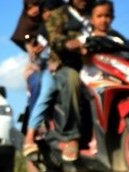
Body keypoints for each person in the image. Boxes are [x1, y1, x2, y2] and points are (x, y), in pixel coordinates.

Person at [44, 0, 93, 162]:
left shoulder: (95, 14)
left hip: (93, 65)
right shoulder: (59, 14)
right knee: (72, 79)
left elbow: (110, 35)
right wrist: (67, 43)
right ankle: (72, 137)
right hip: (65, 66)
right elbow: (54, 39)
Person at [22, 0, 66, 158]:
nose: (48, 15)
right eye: (45, 11)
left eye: (51, 11)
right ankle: (30, 135)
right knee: (47, 89)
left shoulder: (70, 25)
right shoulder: (42, 31)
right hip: (48, 70)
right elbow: (37, 56)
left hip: (72, 67)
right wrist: (37, 53)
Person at [80, 0, 126, 85]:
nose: (103, 20)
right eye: (99, 16)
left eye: (107, 16)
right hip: (91, 83)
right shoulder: (84, 39)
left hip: (114, 81)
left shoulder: (117, 41)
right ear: (91, 19)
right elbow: (85, 58)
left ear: (112, 18)